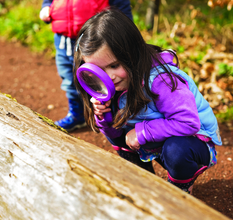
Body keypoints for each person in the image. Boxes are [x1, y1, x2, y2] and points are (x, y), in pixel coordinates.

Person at [73, 8, 222, 194]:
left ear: (132, 53)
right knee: (117, 134)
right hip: (157, 139)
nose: (108, 77)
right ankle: (145, 183)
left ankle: (181, 187)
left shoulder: (161, 80)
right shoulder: (114, 85)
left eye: (114, 65)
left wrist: (142, 132)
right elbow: (114, 132)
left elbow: (188, 123)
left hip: (193, 141)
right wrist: (103, 116)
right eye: (99, 70)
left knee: (176, 151)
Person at [39, 0, 133, 131]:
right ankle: (77, 114)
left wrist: (125, 33)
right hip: (63, 39)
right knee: (69, 78)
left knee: (104, 78)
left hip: (96, 41)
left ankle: (114, 117)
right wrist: (46, 7)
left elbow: (121, 7)